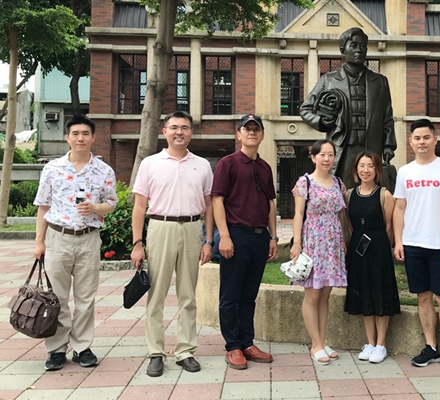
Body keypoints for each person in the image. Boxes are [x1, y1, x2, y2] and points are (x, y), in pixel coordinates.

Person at [130, 110, 214, 377]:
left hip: (192, 228)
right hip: (160, 227)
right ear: (164, 131)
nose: (180, 132)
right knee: (156, 294)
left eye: (185, 128)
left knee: (188, 294)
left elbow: (210, 205)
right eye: (174, 127)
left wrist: (208, 240)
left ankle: (185, 351)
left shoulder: (202, 165)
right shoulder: (150, 163)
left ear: (191, 133)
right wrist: (137, 243)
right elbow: (139, 206)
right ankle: (156, 352)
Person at [33, 115, 117, 371]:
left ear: (93, 137)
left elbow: (111, 203)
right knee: (56, 298)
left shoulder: (104, 171)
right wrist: (39, 242)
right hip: (58, 237)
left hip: (88, 238)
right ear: (67, 137)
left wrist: (95, 208)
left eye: (85, 133)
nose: (80, 138)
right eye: (75, 133)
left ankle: (82, 348)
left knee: (85, 297)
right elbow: (43, 206)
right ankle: (57, 349)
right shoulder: (53, 168)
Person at [393, 119, 440, 370]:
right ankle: (431, 347)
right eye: (417, 138)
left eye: (426, 137)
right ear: (411, 142)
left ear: (435, 140)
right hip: (413, 244)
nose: (421, 142)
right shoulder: (405, 171)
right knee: (423, 297)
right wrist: (399, 241)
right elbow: (399, 208)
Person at [212, 114, 278, 370]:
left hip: (260, 237)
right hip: (235, 235)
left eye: (256, 129)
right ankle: (233, 346)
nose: (251, 133)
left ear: (262, 136)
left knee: (249, 295)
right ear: (238, 134)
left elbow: (270, 203)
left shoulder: (265, 167)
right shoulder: (228, 163)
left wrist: (273, 236)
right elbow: (217, 200)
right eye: (246, 129)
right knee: (231, 295)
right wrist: (224, 236)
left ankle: (247, 342)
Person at [299, 27, 396, 191]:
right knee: (343, 195)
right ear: (343, 50)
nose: (359, 50)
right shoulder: (328, 80)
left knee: (370, 195)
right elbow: (305, 109)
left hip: (371, 149)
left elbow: (387, 118)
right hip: (343, 150)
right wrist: (322, 122)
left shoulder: (380, 82)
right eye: (354, 45)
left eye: (363, 46)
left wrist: (388, 145)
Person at [290, 139, 347, 365]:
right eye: (322, 154)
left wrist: (343, 242)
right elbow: (298, 214)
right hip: (313, 241)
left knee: (325, 294)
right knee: (313, 294)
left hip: (333, 243)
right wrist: (297, 243)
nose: (326, 158)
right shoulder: (305, 182)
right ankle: (315, 344)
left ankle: (322, 341)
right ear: (313, 157)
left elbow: (341, 214)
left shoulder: (338, 183)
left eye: (330, 154)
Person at [344, 151, 400, 364]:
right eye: (362, 166)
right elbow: (350, 225)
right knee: (364, 293)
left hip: (379, 249)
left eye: (370, 166)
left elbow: (389, 226)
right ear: (356, 169)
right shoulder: (349, 195)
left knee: (380, 293)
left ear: (377, 170)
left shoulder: (384, 195)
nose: (365, 170)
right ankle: (370, 342)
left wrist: (382, 246)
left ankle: (381, 344)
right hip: (358, 250)